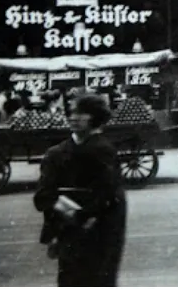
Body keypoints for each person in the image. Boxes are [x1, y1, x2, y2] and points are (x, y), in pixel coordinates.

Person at [34, 93, 127, 286]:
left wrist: (76, 213)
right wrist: (74, 215)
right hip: (70, 230)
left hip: (99, 233)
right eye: (73, 112)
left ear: (96, 117)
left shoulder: (105, 152)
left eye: (82, 113)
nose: (74, 117)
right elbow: (43, 196)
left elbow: (109, 196)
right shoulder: (56, 154)